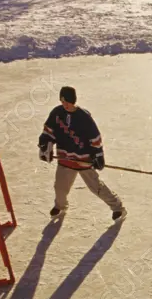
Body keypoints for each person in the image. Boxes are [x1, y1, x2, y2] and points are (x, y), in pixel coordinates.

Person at [38, 86, 126, 222]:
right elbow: (48, 132)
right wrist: (44, 146)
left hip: (83, 159)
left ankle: (118, 208)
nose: (64, 104)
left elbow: (95, 137)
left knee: (96, 187)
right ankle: (60, 206)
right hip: (65, 158)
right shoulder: (56, 113)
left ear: (73, 101)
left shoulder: (83, 116)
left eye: (67, 101)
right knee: (60, 187)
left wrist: (98, 155)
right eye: (62, 101)